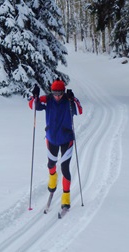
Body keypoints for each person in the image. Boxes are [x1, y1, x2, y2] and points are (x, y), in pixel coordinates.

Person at [29, 79, 83, 209]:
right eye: (55, 93)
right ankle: (52, 180)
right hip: (52, 138)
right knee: (51, 164)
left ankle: (65, 198)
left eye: (60, 93)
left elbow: (79, 110)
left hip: (67, 139)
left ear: (63, 92)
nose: (57, 96)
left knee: (65, 168)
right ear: (51, 92)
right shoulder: (48, 99)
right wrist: (34, 96)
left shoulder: (68, 101)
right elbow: (33, 106)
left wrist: (73, 98)